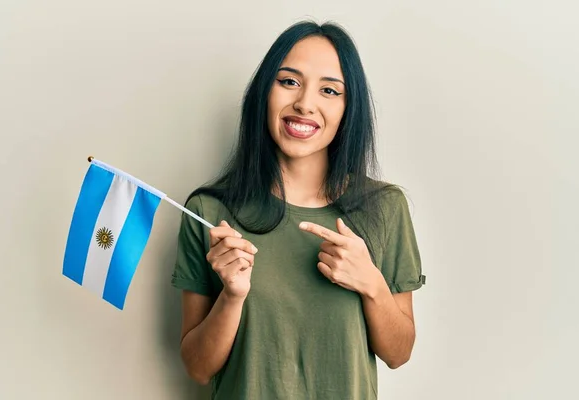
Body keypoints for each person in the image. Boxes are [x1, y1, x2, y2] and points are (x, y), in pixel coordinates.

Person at [171, 19, 425, 400]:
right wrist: (232, 296)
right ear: (264, 93)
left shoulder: (385, 207)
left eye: (329, 90)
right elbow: (198, 368)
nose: (305, 103)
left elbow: (399, 352)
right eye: (288, 81)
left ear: (348, 108)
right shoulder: (209, 210)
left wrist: (370, 282)